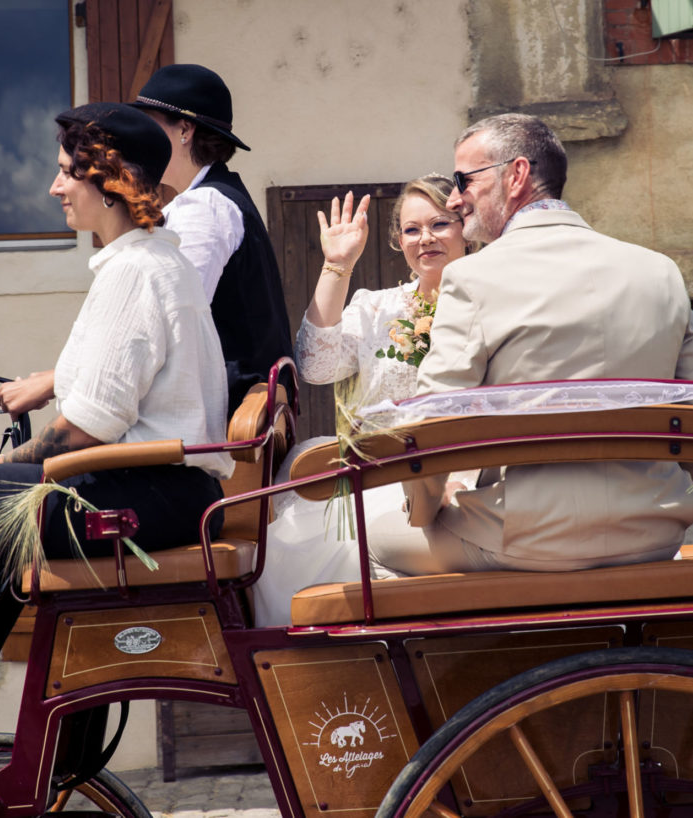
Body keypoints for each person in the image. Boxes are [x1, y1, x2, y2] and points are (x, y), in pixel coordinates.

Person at [368, 113, 693, 578]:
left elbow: (429, 419)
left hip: (529, 537)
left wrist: (428, 509)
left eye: (464, 179)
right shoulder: (660, 271)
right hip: (655, 534)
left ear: (516, 175)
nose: (456, 198)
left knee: (376, 539)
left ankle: (481, 654)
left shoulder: (473, 276)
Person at [0, 103, 231, 668]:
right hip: (160, 493)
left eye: (68, 173)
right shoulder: (151, 264)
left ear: (110, 180)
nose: (54, 187)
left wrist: (3, 467)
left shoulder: (136, 272)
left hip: (147, 497)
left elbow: (85, 429)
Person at [253, 175, 472, 625]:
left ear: (466, 226)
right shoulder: (377, 308)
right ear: (397, 241)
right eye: (411, 230)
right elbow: (315, 367)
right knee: (287, 548)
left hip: (467, 472)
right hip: (379, 474)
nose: (425, 238)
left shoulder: (493, 303)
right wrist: (337, 265)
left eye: (440, 224)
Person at [131, 64, 293, 417]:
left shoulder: (204, 207)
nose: (139, 138)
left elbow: (168, 327)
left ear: (185, 130)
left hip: (212, 429)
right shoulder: (213, 199)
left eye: (149, 124)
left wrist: (59, 380)